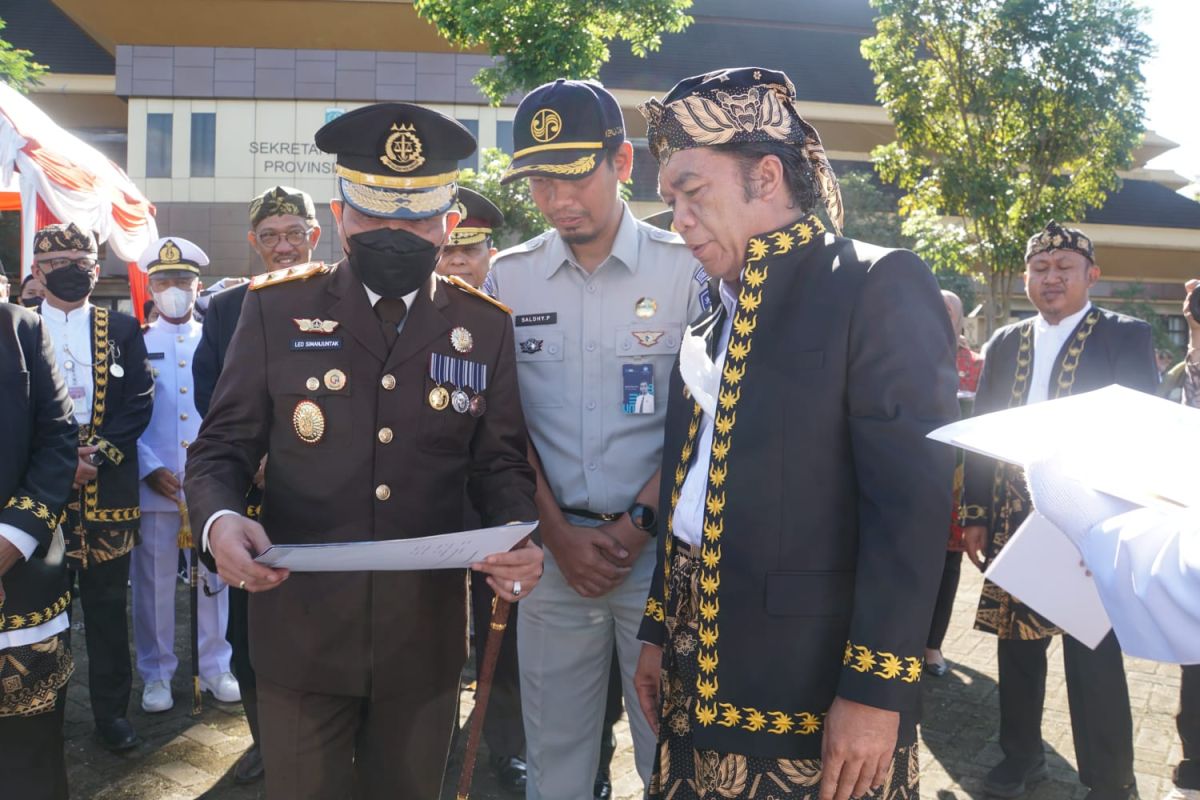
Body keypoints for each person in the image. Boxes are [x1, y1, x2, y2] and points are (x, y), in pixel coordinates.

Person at [184, 102, 543, 800]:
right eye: (376, 215)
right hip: (300, 633)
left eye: (415, 219)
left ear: (448, 222)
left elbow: (498, 462)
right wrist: (219, 521)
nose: (396, 233)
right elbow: (221, 449)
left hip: (423, 638)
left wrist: (518, 533)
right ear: (340, 213)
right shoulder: (273, 310)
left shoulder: (483, 327)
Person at [629, 67, 958, 800]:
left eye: (693, 192)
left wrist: (877, 693)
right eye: (669, 200)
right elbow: (689, 485)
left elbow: (909, 512)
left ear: (766, 176)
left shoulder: (875, 284)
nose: (675, 218)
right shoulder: (711, 307)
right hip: (693, 664)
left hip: (805, 688)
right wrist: (655, 628)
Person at [487, 77, 707, 800]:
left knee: (666, 752)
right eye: (539, 182)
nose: (557, 200)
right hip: (553, 562)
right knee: (557, 762)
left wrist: (640, 522)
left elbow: (700, 416)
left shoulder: (685, 272)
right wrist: (555, 533)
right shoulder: (509, 278)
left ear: (623, 162)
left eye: (575, 174)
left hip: (657, 561)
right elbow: (505, 424)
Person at [961, 220, 1158, 800]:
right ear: (1026, 277)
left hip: (1087, 520)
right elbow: (983, 430)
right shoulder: (1004, 342)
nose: (1051, 279)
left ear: (1091, 275)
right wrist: (973, 510)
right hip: (1010, 516)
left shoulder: (1123, 335)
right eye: (1040, 269)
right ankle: (1020, 757)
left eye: (1063, 269)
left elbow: (1140, 429)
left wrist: (1127, 517)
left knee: (1093, 651)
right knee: (1015, 647)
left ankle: (1110, 776)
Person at [191, 185, 321, 785]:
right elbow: (212, 400)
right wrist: (258, 460)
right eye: (269, 236)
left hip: (328, 499)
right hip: (252, 501)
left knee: (324, 625)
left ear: (317, 237)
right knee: (250, 632)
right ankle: (267, 739)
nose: (283, 246)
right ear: (253, 244)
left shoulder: (343, 297)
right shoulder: (224, 310)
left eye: (294, 233)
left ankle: (327, 735)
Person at [32, 222, 154, 752]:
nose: (71, 272)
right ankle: (41, 714)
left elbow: (139, 403)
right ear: (36, 273)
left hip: (108, 493)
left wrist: (96, 456)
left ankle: (111, 715)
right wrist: (61, 464)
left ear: (96, 268)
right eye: (57, 265)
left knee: (107, 613)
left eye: (81, 262)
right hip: (37, 494)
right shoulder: (16, 326)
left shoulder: (122, 328)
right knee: (44, 613)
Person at [133, 237, 239, 716]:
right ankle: (156, 672)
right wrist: (148, 465)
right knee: (152, 584)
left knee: (215, 579)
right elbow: (117, 415)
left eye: (181, 281)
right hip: (154, 484)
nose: (173, 289)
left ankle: (217, 665)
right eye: (163, 281)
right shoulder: (134, 343)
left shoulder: (217, 340)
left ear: (198, 286)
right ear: (150, 288)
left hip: (207, 482)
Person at [0, 302, 80, 799]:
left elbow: (57, 440)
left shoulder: (21, 328)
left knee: (29, 758)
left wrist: (13, 536)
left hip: (21, 578)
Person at [924, 290, 984, 677]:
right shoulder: (903, 353)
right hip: (913, 478)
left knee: (947, 566)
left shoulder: (977, 365)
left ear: (961, 319)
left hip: (958, 484)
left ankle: (932, 646)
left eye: (947, 309)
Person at [437, 187, 502, 289]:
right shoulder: (409, 304)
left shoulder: (509, 302)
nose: (457, 261)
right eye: (445, 250)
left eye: (470, 249)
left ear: (491, 256)